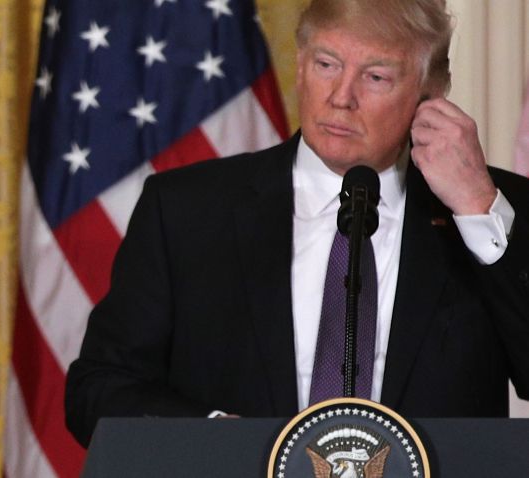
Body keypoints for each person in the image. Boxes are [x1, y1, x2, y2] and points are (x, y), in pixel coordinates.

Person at [64, 0, 529, 448]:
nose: (341, 98)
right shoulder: (187, 210)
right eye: (327, 64)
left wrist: (477, 207)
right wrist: (214, 439)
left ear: (430, 96)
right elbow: (98, 389)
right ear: (301, 65)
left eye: (376, 76)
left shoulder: (495, 208)